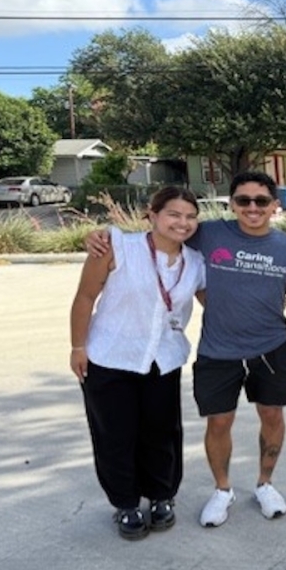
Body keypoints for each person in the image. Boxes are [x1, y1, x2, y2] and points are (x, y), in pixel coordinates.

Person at [85, 171, 286, 528]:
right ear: (232, 204)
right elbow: (162, 231)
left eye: (261, 201)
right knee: (219, 421)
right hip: (218, 350)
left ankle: (265, 484)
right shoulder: (208, 233)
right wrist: (100, 235)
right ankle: (222, 490)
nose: (252, 207)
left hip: (271, 347)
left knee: (272, 416)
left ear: (275, 205)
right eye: (243, 200)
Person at [70, 186, 206, 540]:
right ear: (153, 214)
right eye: (174, 214)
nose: (183, 222)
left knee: (162, 433)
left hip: (164, 359)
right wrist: (77, 347)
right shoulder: (117, 247)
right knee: (115, 434)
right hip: (110, 356)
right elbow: (85, 298)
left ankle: (162, 497)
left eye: (190, 216)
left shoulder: (195, 263)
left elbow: (219, 302)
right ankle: (126, 504)